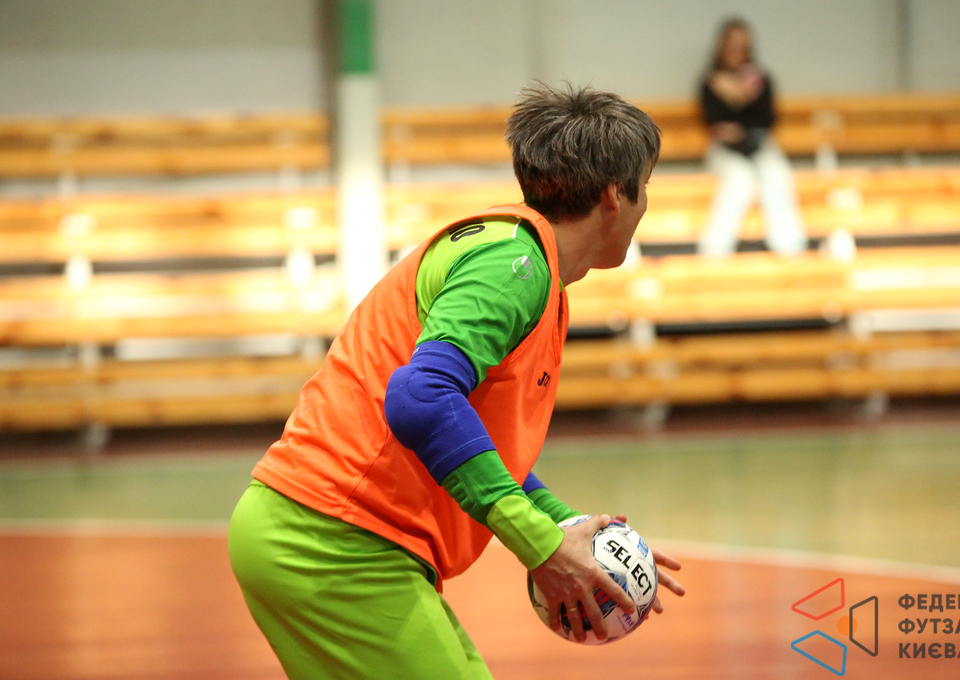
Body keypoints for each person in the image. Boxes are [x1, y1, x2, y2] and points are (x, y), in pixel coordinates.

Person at [227, 82, 686, 680]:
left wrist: (563, 525)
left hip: (328, 533)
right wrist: (542, 546)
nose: (646, 204)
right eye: (645, 185)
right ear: (612, 197)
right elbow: (421, 399)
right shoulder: (513, 269)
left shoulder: (520, 259)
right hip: (333, 540)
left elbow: (474, 437)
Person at [698, 17, 807, 257]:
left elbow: (768, 119)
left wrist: (746, 101)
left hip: (761, 147)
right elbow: (712, 121)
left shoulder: (761, 79)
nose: (736, 50)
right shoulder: (711, 81)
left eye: (742, 45)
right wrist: (730, 119)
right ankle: (715, 251)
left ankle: (790, 250)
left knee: (777, 177)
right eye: (732, 44)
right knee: (739, 181)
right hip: (724, 151)